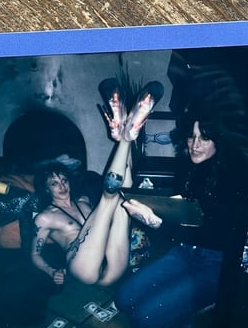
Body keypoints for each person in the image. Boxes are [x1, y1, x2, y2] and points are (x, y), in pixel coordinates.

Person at [115, 101, 248, 328]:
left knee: (143, 320)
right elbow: (184, 217)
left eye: (204, 138)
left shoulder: (234, 178)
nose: (195, 145)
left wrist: (156, 222)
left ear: (219, 140)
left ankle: (204, 304)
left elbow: (213, 237)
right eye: (191, 136)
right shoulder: (190, 167)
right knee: (123, 299)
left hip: (216, 263)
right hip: (185, 251)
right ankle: (181, 298)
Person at [30, 78, 164, 286]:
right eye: (55, 183)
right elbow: (34, 254)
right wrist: (51, 271)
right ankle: (125, 137)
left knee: (123, 201)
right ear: (46, 189)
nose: (62, 185)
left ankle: (127, 134)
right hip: (82, 266)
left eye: (64, 180)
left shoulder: (83, 201)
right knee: (108, 198)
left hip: (112, 262)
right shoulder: (45, 217)